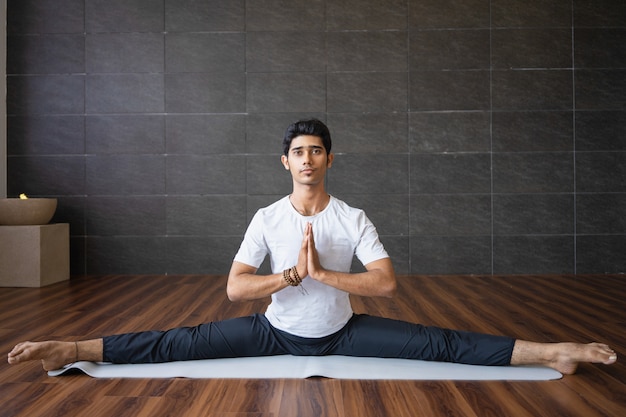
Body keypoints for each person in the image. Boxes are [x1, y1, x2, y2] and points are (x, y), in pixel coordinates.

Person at [8, 119, 617, 376]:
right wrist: (287, 281)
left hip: (344, 332)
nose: (307, 159)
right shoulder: (266, 216)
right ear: (285, 161)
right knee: (175, 341)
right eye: (297, 151)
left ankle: (552, 352)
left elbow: (385, 284)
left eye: (316, 150)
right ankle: (71, 347)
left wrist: (324, 274)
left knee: (443, 344)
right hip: (273, 330)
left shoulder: (352, 217)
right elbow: (234, 288)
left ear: (329, 158)